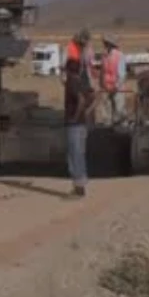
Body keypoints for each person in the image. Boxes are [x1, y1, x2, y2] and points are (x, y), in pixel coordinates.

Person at [64, 56, 95, 198]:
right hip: (82, 124)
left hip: (75, 125)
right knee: (80, 154)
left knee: (74, 155)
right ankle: (80, 185)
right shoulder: (81, 82)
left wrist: (75, 116)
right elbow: (92, 96)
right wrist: (86, 112)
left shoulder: (71, 82)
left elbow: (81, 100)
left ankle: (78, 189)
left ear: (68, 70)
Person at [99, 34, 127, 125]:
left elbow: (122, 75)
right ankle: (108, 130)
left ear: (110, 44)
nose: (104, 45)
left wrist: (116, 87)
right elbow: (103, 71)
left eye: (106, 43)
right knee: (107, 112)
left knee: (119, 110)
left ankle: (122, 131)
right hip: (106, 87)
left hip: (117, 88)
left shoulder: (120, 55)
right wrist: (102, 85)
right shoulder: (104, 56)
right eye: (104, 43)